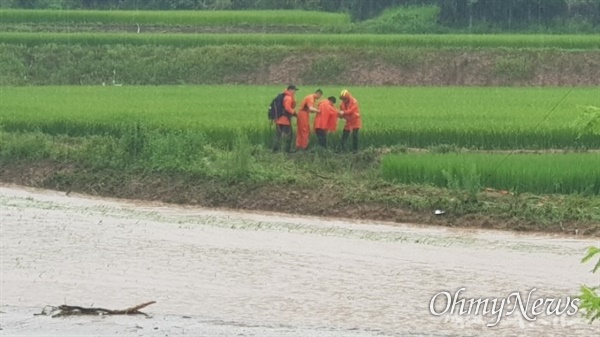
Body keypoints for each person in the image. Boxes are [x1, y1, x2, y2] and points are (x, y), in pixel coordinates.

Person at [272, 85, 298, 153]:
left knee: (278, 135)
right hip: (285, 120)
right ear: (290, 90)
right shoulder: (288, 98)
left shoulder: (284, 96)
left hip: (279, 119)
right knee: (289, 135)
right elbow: (287, 108)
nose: (295, 92)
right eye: (294, 90)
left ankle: (275, 150)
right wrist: (294, 112)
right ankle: (287, 150)